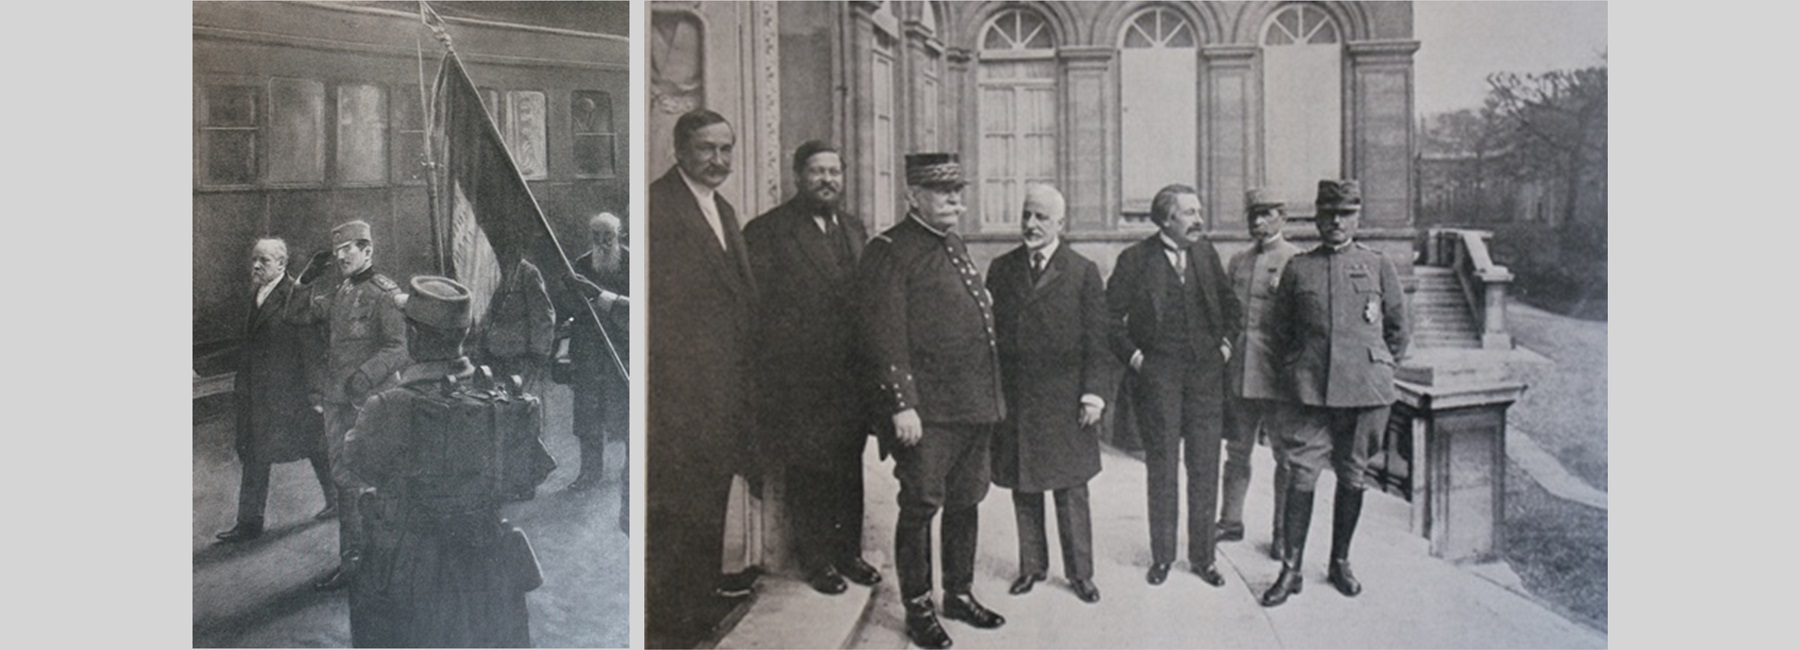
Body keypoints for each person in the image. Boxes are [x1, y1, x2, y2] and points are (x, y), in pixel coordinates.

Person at [335, 275, 555, 647]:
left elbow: (357, 463)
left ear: (415, 337)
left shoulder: (389, 406)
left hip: (413, 566)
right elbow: (529, 474)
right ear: (463, 333)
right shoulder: (500, 397)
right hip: (489, 559)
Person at [856, 153, 1006, 650]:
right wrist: (902, 404)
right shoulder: (891, 250)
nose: (955, 200)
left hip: (971, 406)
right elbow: (885, 336)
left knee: (966, 501)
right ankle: (918, 608)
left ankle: (958, 593)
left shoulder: (951, 242)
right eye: (943, 191)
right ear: (912, 197)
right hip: (928, 414)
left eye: (958, 190)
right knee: (921, 505)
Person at [1260, 179, 1409, 607]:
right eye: (1328, 215)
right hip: (1308, 391)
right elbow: (1280, 329)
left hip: (1364, 392)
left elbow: (1398, 330)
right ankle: (1291, 569)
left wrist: (1374, 367)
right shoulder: (1300, 267)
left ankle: (1340, 561)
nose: (1336, 222)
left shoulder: (1378, 265)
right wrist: (1296, 368)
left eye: (1344, 214)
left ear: (1357, 217)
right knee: (1301, 473)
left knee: (1353, 473)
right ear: (1317, 219)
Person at [743, 141, 881, 595]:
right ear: (797, 177)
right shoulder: (770, 231)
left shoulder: (856, 229)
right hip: (800, 380)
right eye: (817, 172)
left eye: (834, 172)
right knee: (809, 472)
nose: (827, 180)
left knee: (849, 467)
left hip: (851, 380)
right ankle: (816, 559)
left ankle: (848, 553)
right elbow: (756, 314)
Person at [646, 108, 757, 647]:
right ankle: (670, 626)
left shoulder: (723, 209)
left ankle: (696, 614)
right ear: (679, 151)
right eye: (707, 149)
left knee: (706, 511)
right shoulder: (657, 208)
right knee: (674, 519)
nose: (718, 160)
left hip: (720, 400)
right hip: (678, 404)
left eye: (726, 149)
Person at [1104, 183, 1242, 588]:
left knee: (1204, 467)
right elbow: (1109, 320)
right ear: (1167, 218)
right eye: (1190, 212)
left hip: (1205, 378)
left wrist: (1225, 347)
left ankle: (1203, 558)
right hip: (1158, 377)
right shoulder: (1135, 259)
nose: (1199, 219)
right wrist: (1136, 358)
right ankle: (1162, 556)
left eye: (1199, 211)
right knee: (1161, 468)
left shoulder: (1205, 253)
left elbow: (1231, 307)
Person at [985, 184, 1116, 604]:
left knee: (1071, 486)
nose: (1030, 224)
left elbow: (1098, 340)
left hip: (1066, 400)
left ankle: (1081, 574)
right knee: (1025, 484)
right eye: (1026, 214)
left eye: (1041, 217)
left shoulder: (1082, 271)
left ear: (1061, 223)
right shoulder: (1002, 269)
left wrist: (1093, 395)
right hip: (1019, 399)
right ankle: (1032, 567)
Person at [290, 219, 410, 592]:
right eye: (338, 252)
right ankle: (353, 561)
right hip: (338, 402)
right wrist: (304, 280)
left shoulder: (385, 293)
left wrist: (364, 375)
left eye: (348, 250)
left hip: (372, 401)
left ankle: (388, 560)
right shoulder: (341, 291)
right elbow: (295, 315)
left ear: (368, 250)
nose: (341, 257)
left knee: (378, 480)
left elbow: (399, 347)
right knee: (345, 481)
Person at [216, 238, 334, 544]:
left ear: (282, 264)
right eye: (254, 259)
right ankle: (249, 522)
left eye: (264, 261)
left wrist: (315, 392)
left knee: (317, 446)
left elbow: (311, 348)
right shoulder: (256, 293)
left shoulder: (296, 296)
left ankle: (336, 500)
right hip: (258, 393)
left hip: (290, 394)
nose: (256, 266)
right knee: (257, 453)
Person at [1218, 189, 1304, 557]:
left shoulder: (1296, 260)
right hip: (1239, 374)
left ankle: (1283, 534)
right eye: (1253, 214)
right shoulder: (1237, 261)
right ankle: (1230, 521)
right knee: (1237, 452)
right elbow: (1226, 317)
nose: (1257, 222)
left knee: (1285, 458)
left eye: (1266, 214)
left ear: (1282, 217)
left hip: (1278, 378)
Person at [566, 213, 630, 494]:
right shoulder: (581, 265)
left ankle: (632, 469)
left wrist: (600, 297)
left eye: (609, 237)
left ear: (619, 235)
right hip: (590, 352)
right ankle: (589, 472)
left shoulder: (632, 262)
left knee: (627, 414)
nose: (603, 244)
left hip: (623, 351)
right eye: (597, 238)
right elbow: (571, 310)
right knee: (588, 417)